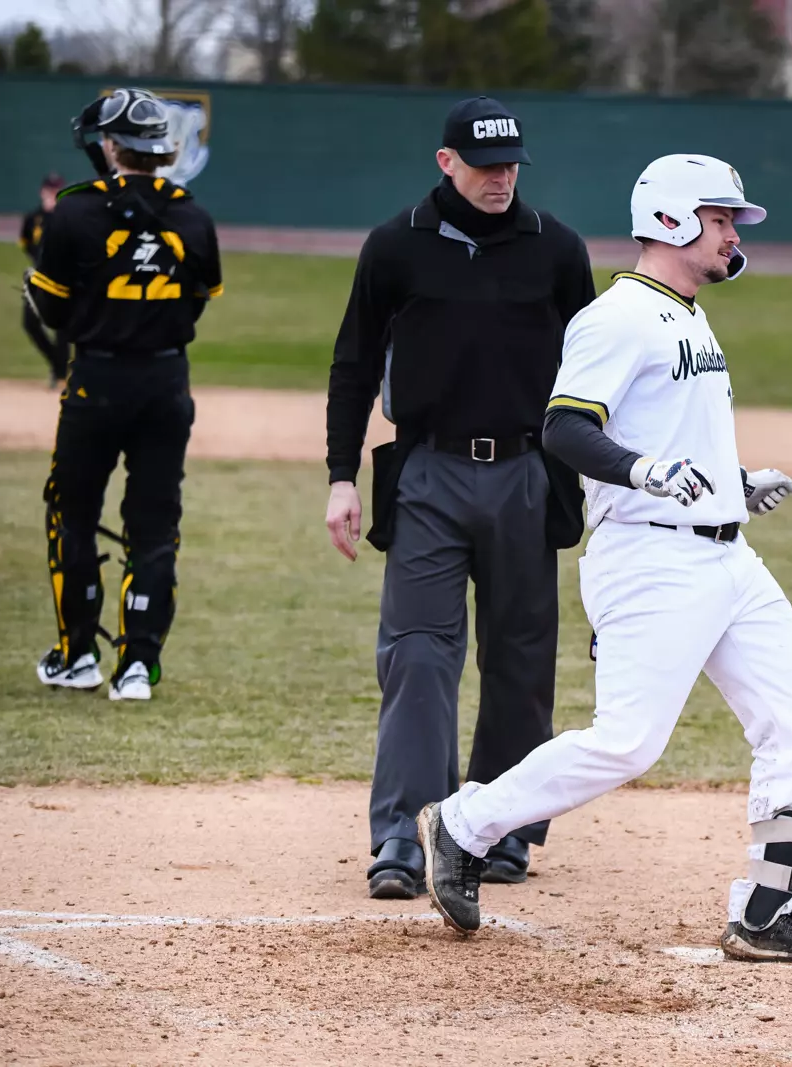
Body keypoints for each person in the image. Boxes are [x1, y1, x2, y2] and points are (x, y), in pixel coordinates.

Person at [413, 153, 792, 966]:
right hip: (651, 562)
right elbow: (566, 427)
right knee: (627, 741)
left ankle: (767, 907)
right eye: (720, 218)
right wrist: (644, 471)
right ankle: (463, 822)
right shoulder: (618, 316)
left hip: (728, 561)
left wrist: (733, 484)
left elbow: (676, 430)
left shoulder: (687, 314)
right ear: (672, 221)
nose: (732, 232)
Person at [323, 96, 595, 900]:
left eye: (511, 164)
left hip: (526, 472)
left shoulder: (557, 249)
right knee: (416, 654)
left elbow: (597, 371)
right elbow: (353, 365)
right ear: (447, 163)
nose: (501, 178)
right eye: (485, 165)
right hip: (429, 473)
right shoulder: (395, 246)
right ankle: (403, 838)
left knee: (518, 657)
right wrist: (343, 475)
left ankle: (500, 826)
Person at [26, 87, 222, 700]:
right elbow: (201, 299)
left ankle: (76, 654)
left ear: (110, 147)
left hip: (98, 379)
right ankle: (138, 665)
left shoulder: (75, 212)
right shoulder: (193, 215)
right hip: (167, 382)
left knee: (73, 511)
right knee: (155, 521)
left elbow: (50, 311)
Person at [19, 172, 69, 384]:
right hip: (39, 276)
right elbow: (26, 244)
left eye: (57, 190)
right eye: (50, 190)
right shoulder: (33, 218)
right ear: (42, 191)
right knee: (30, 323)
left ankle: (60, 374)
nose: (52, 194)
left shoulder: (67, 217)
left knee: (62, 328)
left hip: (65, 277)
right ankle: (58, 366)